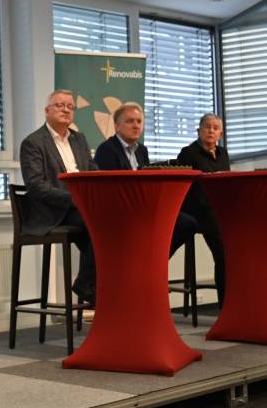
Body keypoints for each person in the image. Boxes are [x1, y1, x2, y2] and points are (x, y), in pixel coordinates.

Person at [19, 89, 97, 304]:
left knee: (109, 225)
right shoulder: (33, 142)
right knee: (99, 225)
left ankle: (95, 283)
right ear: (46, 111)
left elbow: (92, 171)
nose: (66, 109)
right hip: (52, 211)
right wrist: (74, 200)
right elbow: (36, 186)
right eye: (60, 105)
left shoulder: (79, 139)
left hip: (80, 209)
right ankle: (89, 284)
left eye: (70, 106)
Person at [93, 102, 197, 257]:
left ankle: (156, 259)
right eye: (130, 121)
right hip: (122, 210)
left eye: (139, 121)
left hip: (145, 206)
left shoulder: (142, 150)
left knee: (187, 224)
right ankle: (147, 259)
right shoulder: (106, 149)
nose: (136, 126)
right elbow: (111, 189)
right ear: (116, 126)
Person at [176, 113, 230, 306]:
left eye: (215, 128)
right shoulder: (188, 153)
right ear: (198, 130)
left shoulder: (223, 154)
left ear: (221, 134)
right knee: (225, 252)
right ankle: (225, 305)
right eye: (207, 126)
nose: (211, 130)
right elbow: (185, 188)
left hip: (220, 209)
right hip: (198, 211)